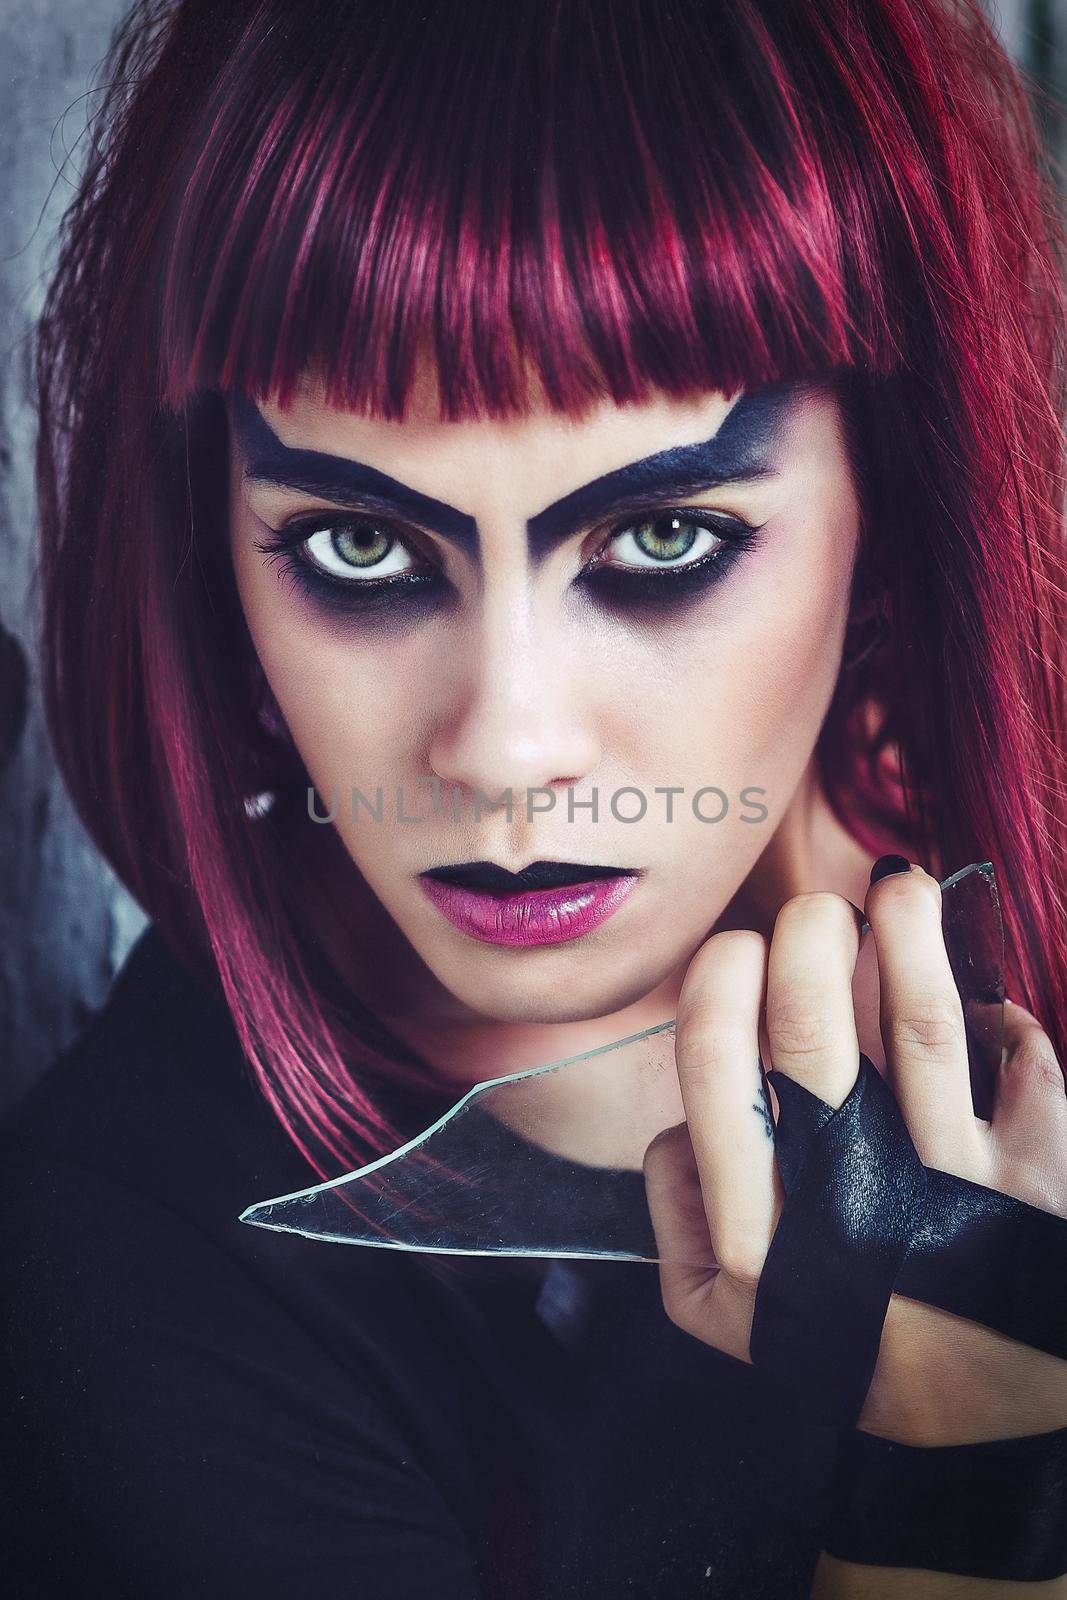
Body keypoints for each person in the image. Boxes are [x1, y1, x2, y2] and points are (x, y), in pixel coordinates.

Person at [2, 0, 1067, 1594]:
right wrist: (968, 1487)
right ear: (213, 546)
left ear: (892, 504)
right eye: (360, 549)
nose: (501, 749)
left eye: (658, 544)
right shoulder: (132, 1281)